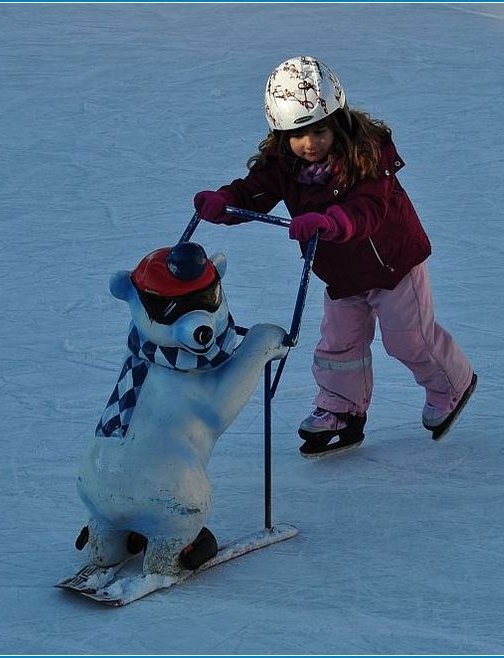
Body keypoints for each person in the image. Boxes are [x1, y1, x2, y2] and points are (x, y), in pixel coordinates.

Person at [193, 55, 476, 456]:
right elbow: (254, 190)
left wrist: (330, 222)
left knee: (408, 340)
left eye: (318, 130)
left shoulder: (367, 155)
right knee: (338, 345)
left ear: (338, 120)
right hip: (341, 274)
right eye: (296, 134)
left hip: (393, 265)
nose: (309, 144)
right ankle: (341, 411)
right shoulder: (284, 163)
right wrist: (224, 202)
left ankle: (453, 383)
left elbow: (368, 209)